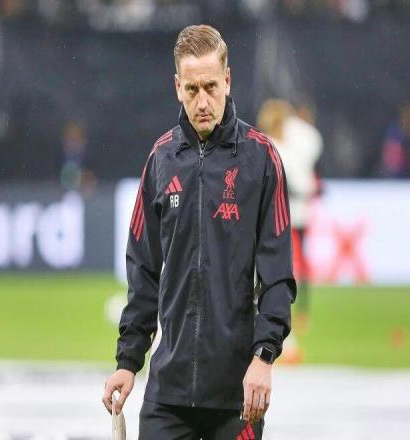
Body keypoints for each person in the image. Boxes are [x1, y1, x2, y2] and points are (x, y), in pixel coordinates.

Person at [102, 25, 296, 439]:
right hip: (167, 396)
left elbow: (278, 276)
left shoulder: (261, 159)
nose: (202, 101)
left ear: (228, 80)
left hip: (237, 397)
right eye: (192, 89)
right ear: (177, 87)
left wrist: (264, 357)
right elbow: (143, 271)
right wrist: (127, 362)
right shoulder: (161, 159)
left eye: (211, 87)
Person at [257, 99, 322, 336]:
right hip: (284, 214)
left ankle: (289, 310)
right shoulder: (275, 146)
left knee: (288, 264)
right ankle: (290, 310)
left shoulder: (283, 145)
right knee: (287, 264)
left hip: (288, 214)